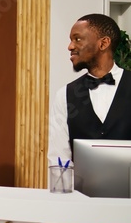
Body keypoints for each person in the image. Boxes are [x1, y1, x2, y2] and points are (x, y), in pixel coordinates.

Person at [48, 13, 131, 166]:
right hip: (79, 190)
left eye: (77, 39)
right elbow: (59, 158)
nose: (70, 46)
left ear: (103, 43)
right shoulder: (65, 95)